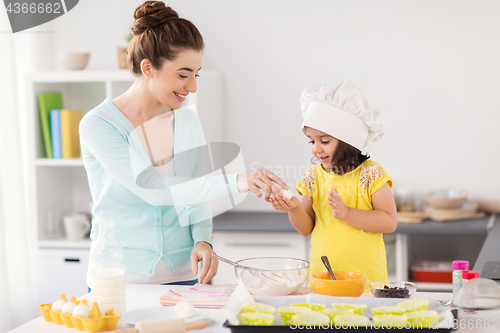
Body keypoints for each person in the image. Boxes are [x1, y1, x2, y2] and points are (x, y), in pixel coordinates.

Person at [79, 1, 287, 286]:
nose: (192, 87)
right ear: (148, 67)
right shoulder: (100, 125)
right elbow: (153, 188)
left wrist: (203, 239)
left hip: (185, 276)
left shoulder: (187, 122)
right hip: (120, 278)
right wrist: (238, 181)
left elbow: (196, 194)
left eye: (196, 74)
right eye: (183, 74)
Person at [267, 79, 397, 289]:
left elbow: (389, 222)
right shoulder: (313, 178)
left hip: (366, 283)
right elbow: (306, 228)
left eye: (324, 141)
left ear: (348, 140)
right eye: (311, 141)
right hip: (323, 281)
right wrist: (293, 208)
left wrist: (347, 214)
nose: (316, 149)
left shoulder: (371, 174)